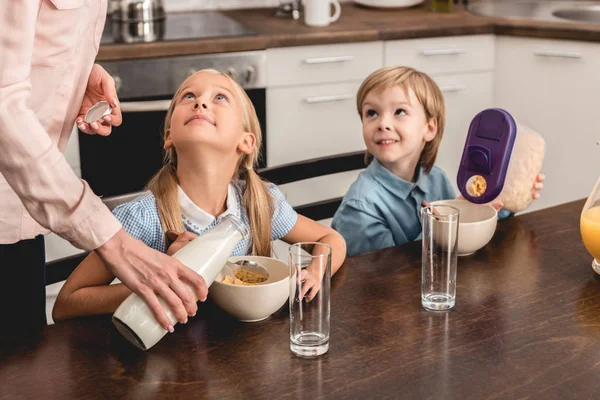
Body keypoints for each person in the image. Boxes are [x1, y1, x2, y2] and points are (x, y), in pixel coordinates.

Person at [52, 69, 346, 325]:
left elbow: (331, 240)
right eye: (188, 96)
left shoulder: (261, 204)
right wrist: (158, 283)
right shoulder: (141, 219)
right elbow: (66, 304)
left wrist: (315, 271)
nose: (201, 102)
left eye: (220, 98)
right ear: (169, 136)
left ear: (246, 141)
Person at [0, 1, 206, 331]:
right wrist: (112, 241)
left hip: (19, 214)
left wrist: (74, 74)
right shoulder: (138, 217)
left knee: (22, 365)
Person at [332, 66, 545, 256]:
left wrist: (503, 196)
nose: (383, 123)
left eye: (399, 111)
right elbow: (386, 276)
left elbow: (461, 229)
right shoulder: (361, 207)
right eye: (372, 113)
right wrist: (441, 226)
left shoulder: (436, 178)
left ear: (429, 128)